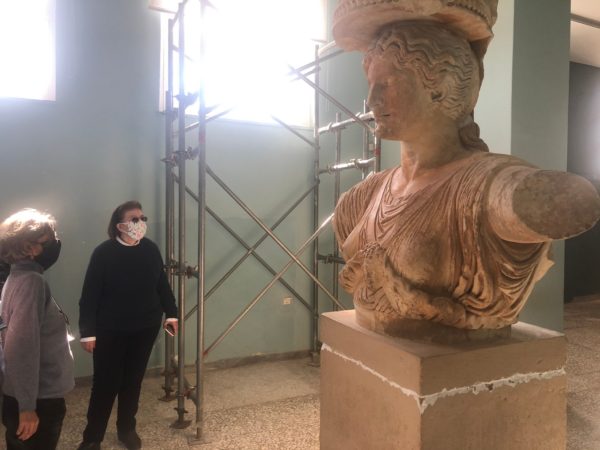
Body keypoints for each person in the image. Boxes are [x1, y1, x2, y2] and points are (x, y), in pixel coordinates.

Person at [332, 20, 600, 334]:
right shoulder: (360, 198)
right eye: (371, 84)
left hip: (445, 356)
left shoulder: (484, 187)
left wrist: (524, 197)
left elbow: (567, 201)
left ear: (439, 89)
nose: (372, 100)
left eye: (387, 84)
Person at [77, 200, 178, 450]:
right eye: (134, 219)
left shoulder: (150, 249)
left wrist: (172, 314)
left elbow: (161, 285)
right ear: (119, 225)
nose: (140, 223)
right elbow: (89, 295)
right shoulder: (104, 253)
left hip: (145, 327)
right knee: (105, 384)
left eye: (143, 218)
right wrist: (87, 333)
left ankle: (127, 429)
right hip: (110, 329)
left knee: (133, 381)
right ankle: (92, 438)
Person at [0, 208, 74, 450]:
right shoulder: (32, 282)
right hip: (39, 399)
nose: (55, 243)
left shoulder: (16, 278)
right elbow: (21, 347)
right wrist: (27, 408)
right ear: (28, 247)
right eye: (48, 239)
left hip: (25, 394)